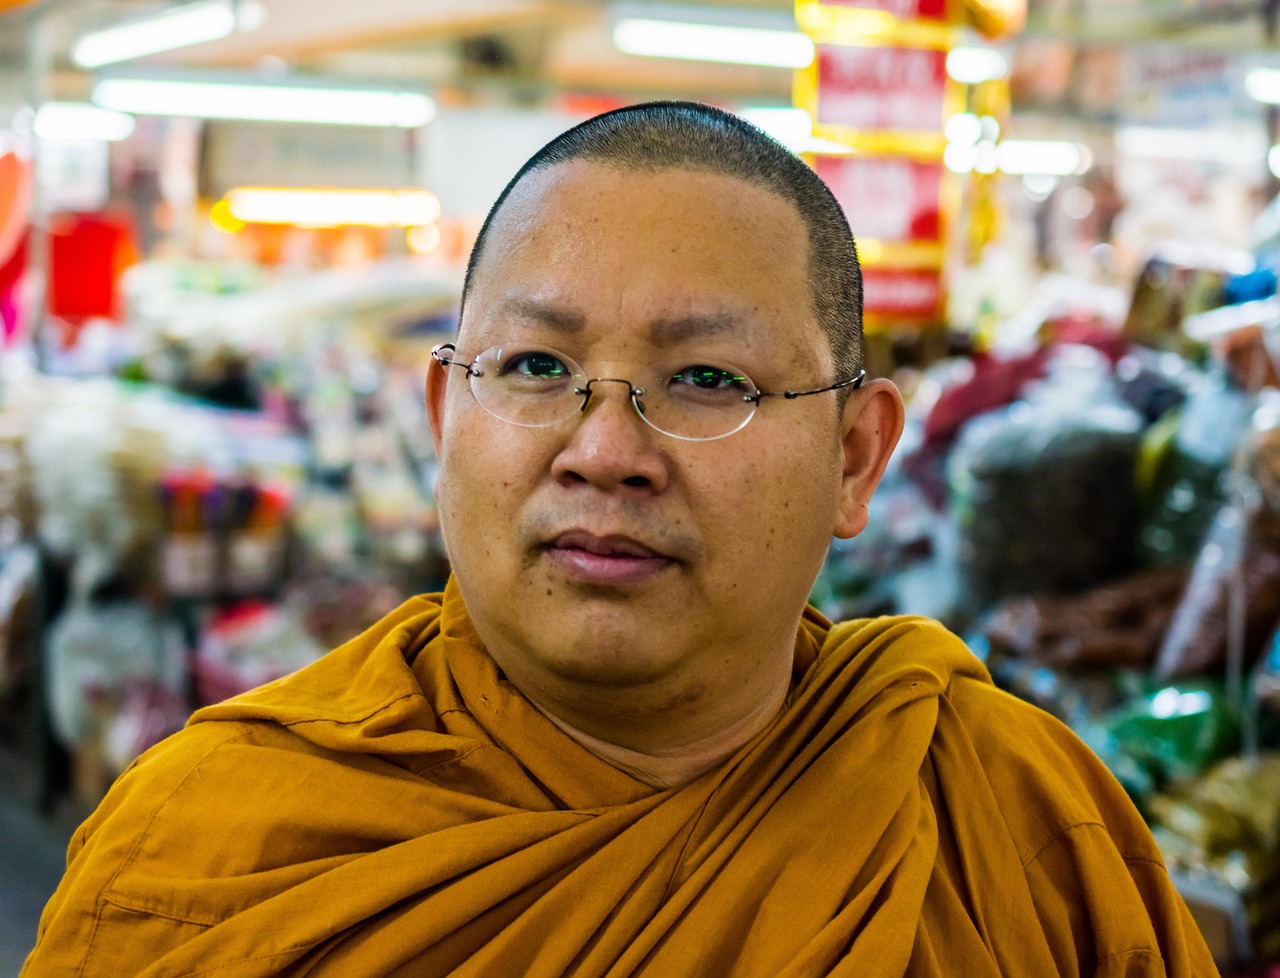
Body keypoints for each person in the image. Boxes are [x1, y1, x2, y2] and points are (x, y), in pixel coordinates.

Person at [24, 102, 1217, 978]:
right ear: (445, 419)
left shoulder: (1009, 816)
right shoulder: (212, 849)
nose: (603, 449)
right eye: (537, 366)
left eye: (705, 377)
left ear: (854, 456)